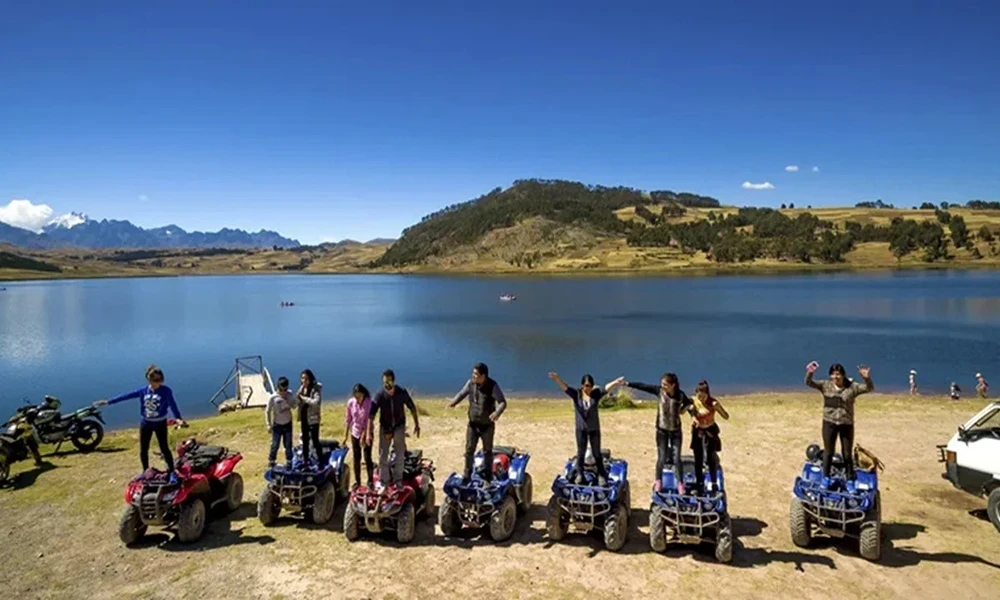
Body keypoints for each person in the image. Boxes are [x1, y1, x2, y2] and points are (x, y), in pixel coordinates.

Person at [99, 364, 186, 479]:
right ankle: (145, 472)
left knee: (164, 448)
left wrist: (178, 418)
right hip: (146, 424)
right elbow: (126, 396)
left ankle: (172, 472)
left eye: (161, 379)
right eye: (156, 380)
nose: (159, 382)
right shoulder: (143, 391)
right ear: (149, 380)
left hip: (160, 424)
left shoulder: (166, 391)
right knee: (143, 449)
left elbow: (172, 405)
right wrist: (109, 401)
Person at [548, 372, 625, 486]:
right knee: (581, 453)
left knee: (596, 453)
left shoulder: (595, 394)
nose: (587, 388)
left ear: (592, 386)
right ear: (582, 385)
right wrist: (557, 379)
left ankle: (601, 475)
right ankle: (580, 474)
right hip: (581, 429)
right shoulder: (577, 395)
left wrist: (616, 382)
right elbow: (565, 387)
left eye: (589, 386)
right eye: (585, 385)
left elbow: (606, 388)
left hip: (594, 429)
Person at [622, 373, 695, 493]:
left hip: (676, 431)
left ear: (673, 385)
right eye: (662, 384)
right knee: (661, 458)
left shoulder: (680, 395)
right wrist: (628, 384)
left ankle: (680, 483)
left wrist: (691, 413)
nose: (663, 386)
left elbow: (688, 405)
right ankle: (658, 481)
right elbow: (644, 386)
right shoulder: (659, 391)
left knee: (676, 459)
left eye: (665, 384)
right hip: (662, 431)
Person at [804, 361, 873, 486]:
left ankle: (850, 480)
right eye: (833, 374)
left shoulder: (852, 387)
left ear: (843, 375)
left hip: (846, 425)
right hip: (829, 423)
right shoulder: (826, 385)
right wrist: (810, 373)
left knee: (847, 454)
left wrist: (866, 378)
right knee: (828, 452)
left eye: (838, 374)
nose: (836, 377)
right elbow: (808, 383)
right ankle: (825, 478)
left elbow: (869, 388)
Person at [449, 362, 507, 483]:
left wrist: (496, 413)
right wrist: (454, 402)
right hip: (473, 424)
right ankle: (467, 474)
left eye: (476, 374)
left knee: (487, 451)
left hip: (487, 426)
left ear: (483, 376)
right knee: (469, 450)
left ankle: (488, 476)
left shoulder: (492, 386)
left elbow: (502, 402)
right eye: (473, 373)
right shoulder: (471, 383)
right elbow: (462, 393)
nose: (473, 376)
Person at [368, 369, 420, 488]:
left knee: (400, 454)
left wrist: (417, 424)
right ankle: (384, 481)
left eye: (389, 381)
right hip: (385, 427)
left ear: (394, 381)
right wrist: (368, 431)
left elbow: (412, 407)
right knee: (383, 455)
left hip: (399, 426)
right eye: (384, 382)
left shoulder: (401, 392)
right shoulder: (380, 395)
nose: (387, 384)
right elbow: (371, 414)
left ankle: (398, 480)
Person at [690, 380, 729, 494]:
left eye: (703, 396)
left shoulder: (713, 402)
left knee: (711, 456)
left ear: (707, 394)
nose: (701, 398)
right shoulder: (694, 402)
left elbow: (725, 416)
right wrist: (692, 414)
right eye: (699, 396)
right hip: (698, 431)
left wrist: (718, 408)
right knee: (698, 457)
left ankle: (713, 482)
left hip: (710, 430)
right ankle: (699, 482)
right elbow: (687, 410)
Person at [343, 383, 374, 489]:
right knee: (356, 458)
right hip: (355, 433)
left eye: (359, 394)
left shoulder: (369, 402)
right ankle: (358, 481)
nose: (357, 396)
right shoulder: (351, 403)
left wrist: (364, 436)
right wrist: (345, 435)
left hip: (367, 432)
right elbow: (348, 419)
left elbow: (368, 421)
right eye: (355, 394)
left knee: (367, 457)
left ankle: (370, 481)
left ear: (363, 393)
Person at [265, 376, 297, 467]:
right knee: (275, 444)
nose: (284, 392)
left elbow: (294, 406)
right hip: (277, 425)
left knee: (288, 444)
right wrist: (268, 424)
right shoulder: (273, 397)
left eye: (286, 389)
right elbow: (267, 411)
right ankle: (271, 460)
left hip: (287, 424)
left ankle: (289, 461)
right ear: (278, 387)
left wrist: (291, 401)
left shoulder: (289, 395)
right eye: (282, 390)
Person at [297, 369, 324, 467]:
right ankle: (305, 460)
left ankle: (320, 460)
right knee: (305, 440)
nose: (304, 380)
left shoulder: (315, 389)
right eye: (302, 378)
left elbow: (316, 402)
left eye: (306, 378)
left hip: (313, 419)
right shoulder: (302, 388)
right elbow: (297, 398)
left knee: (315, 440)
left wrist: (304, 399)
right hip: (304, 418)